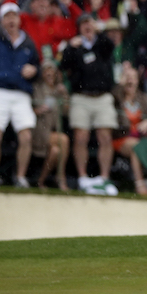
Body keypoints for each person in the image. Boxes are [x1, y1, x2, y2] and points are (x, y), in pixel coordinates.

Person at [60, 14, 118, 195]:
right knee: (81, 137)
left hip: (103, 97)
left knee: (105, 137)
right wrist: (70, 47)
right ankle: (83, 177)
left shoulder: (102, 44)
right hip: (81, 97)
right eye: (83, 23)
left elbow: (110, 46)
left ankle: (104, 177)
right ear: (79, 28)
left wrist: (99, 34)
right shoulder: (74, 47)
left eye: (89, 23)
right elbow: (63, 65)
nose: (87, 27)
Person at [0, 2, 39, 188]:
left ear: (19, 19)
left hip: (21, 93)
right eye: (7, 17)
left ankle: (20, 177)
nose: (11, 20)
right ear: (1, 21)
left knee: (26, 137)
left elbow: (38, 68)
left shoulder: (28, 42)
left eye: (14, 16)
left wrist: (34, 71)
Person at [112, 66, 147, 196]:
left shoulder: (144, 98)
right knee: (137, 147)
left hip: (142, 138)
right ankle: (139, 184)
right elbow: (112, 96)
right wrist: (119, 84)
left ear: (138, 81)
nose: (130, 81)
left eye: (133, 78)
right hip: (122, 138)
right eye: (127, 78)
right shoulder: (117, 97)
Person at [31, 59, 70, 191]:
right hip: (39, 130)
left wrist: (64, 94)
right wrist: (38, 110)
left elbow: (65, 112)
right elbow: (31, 108)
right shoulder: (37, 87)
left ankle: (41, 181)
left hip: (52, 130)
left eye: (51, 70)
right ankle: (61, 177)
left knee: (55, 151)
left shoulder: (59, 90)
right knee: (63, 139)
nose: (49, 73)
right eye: (46, 70)